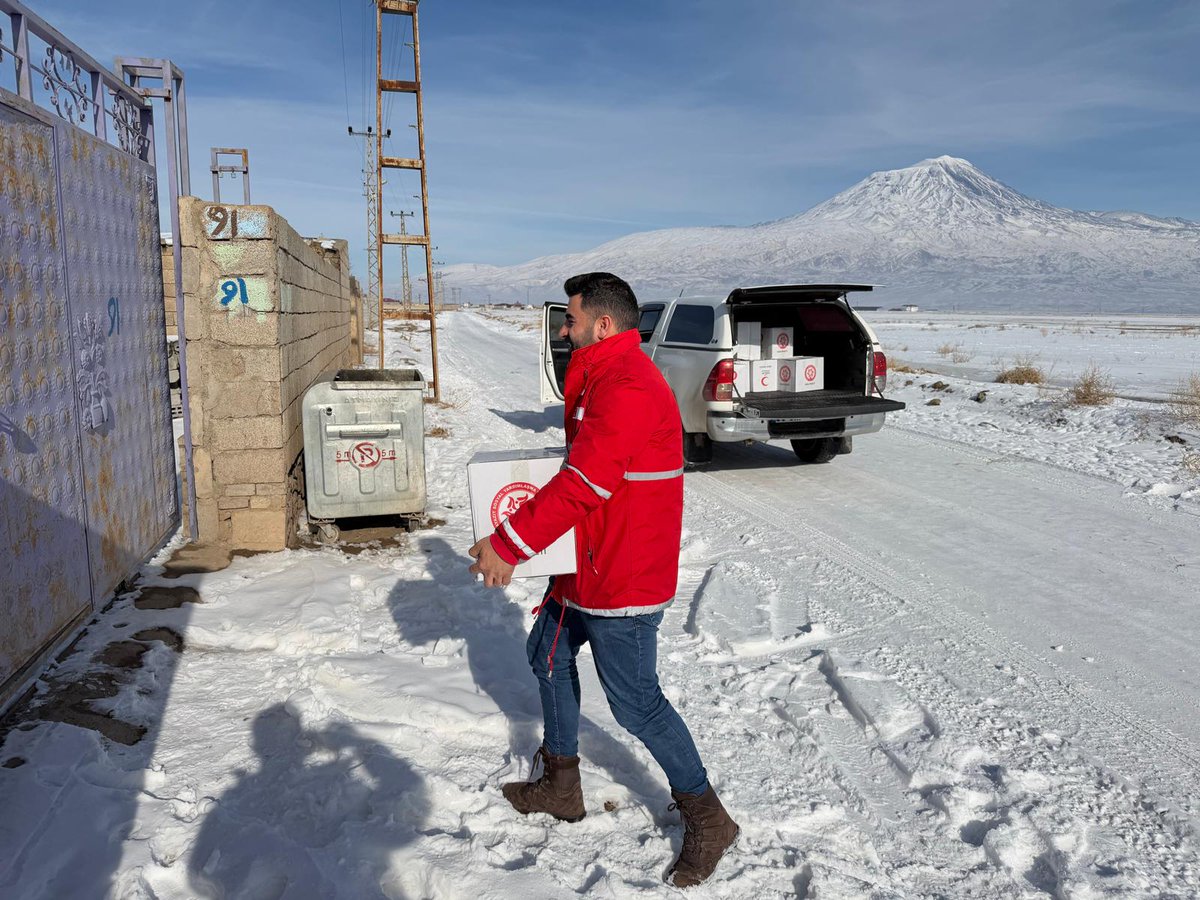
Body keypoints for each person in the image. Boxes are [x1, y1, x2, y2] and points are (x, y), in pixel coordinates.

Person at [468, 272, 738, 888]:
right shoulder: (600, 378)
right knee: (546, 653)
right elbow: (580, 479)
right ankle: (562, 785)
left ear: (604, 325)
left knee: (635, 702)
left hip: (624, 576)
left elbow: (584, 483)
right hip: (584, 563)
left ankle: (709, 816)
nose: (565, 329)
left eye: (571, 319)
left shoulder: (629, 386)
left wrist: (509, 544)